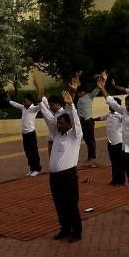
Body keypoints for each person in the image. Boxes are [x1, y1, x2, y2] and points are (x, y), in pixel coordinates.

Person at [96, 77, 129, 214]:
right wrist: (102, 88)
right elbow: (111, 102)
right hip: (126, 151)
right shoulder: (123, 112)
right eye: (126, 104)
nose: (127, 106)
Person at [40, 90, 83, 242]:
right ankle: (65, 229)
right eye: (57, 123)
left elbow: (76, 120)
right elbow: (47, 116)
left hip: (68, 176)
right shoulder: (57, 134)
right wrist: (41, 100)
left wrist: (71, 104)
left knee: (71, 204)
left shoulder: (75, 136)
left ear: (68, 124)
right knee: (59, 204)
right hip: (55, 177)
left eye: (61, 123)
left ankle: (76, 232)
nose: (58, 125)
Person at [6, 88, 42, 176]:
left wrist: (41, 100)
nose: (23, 103)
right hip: (24, 134)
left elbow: (41, 106)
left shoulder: (34, 109)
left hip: (31, 133)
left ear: (30, 101)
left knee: (33, 151)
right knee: (27, 152)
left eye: (25, 101)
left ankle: (37, 168)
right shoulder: (23, 108)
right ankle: (32, 168)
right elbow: (16, 105)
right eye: (23, 101)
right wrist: (9, 101)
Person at [95, 98, 124, 185]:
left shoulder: (120, 115)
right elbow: (101, 118)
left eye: (111, 105)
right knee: (113, 162)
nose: (109, 106)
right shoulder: (108, 114)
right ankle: (115, 179)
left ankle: (121, 180)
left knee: (119, 162)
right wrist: (92, 120)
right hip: (110, 142)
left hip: (119, 142)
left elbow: (128, 120)